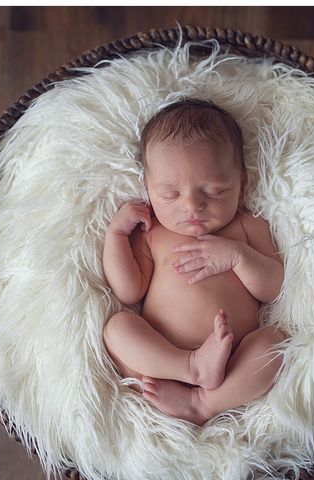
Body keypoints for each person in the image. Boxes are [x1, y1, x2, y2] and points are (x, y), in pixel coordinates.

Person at [101, 98, 286, 425]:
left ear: (241, 183)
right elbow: (129, 291)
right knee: (118, 328)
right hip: (162, 362)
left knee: (274, 344)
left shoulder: (247, 227)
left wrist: (237, 256)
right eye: (170, 195)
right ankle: (190, 366)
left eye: (215, 191)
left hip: (232, 362)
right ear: (147, 189)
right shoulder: (153, 234)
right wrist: (117, 234)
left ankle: (203, 403)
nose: (192, 206)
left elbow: (272, 288)